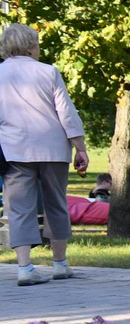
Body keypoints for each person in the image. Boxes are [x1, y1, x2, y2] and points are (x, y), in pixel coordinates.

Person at [0, 22, 88, 285]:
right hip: (53, 148)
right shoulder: (49, 72)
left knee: (19, 209)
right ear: (30, 47)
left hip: (14, 150)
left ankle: (25, 268)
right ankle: (60, 264)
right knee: (56, 204)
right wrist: (80, 147)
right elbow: (66, 113)